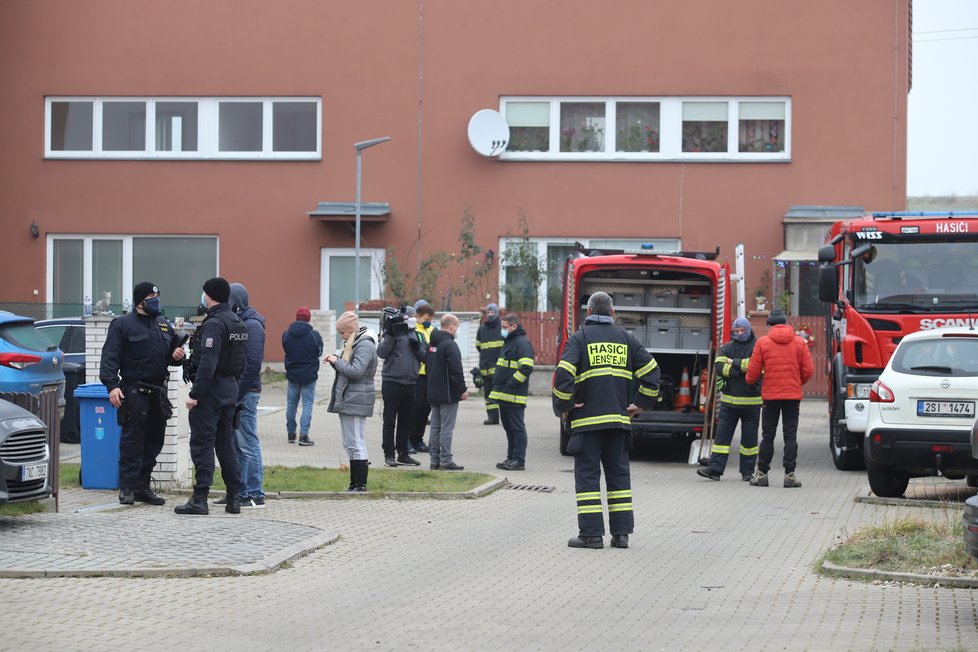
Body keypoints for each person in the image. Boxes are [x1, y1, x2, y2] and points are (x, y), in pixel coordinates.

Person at [553, 291, 660, 549]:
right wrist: (640, 404)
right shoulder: (627, 339)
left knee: (588, 478)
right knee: (619, 477)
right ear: (613, 313)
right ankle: (621, 535)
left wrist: (565, 406)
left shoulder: (579, 339)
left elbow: (563, 375)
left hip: (587, 423)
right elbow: (652, 373)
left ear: (588, 313)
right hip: (618, 423)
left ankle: (591, 535)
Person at [100, 281, 186, 505]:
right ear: (140, 301)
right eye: (150, 296)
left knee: (155, 440)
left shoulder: (163, 325)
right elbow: (109, 358)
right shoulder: (122, 325)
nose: (155, 300)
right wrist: (112, 386)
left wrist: (178, 356)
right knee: (132, 441)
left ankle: (142, 486)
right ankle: (127, 487)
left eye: (157, 296)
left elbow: (169, 357)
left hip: (158, 392)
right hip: (134, 392)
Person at [175, 277, 247, 515]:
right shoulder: (237, 322)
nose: (203, 298)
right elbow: (242, 362)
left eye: (204, 294)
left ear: (209, 295)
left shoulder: (214, 324)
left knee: (202, 444)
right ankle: (234, 498)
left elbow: (208, 362)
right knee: (226, 443)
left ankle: (200, 498)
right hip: (230, 389)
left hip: (211, 392)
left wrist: (195, 394)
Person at [745, 309, 814, 488]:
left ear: (769, 325)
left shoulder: (763, 342)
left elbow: (753, 371)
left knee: (768, 436)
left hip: (770, 397)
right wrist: (797, 382)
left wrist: (750, 381)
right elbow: (808, 370)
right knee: (790, 436)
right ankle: (789, 476)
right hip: (792, 397)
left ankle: (761, 475)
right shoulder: (800, 342)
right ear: (786, 323)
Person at [697, 316, 762, 482]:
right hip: (728, 402)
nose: (740, 334)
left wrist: (734, 362)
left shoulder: (757, 346)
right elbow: (718, 366)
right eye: (736, 331)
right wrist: (737, 370)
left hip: (751, 402)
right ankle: (715, 469)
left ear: (748, 330)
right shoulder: (727, 347)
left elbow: (756, 364)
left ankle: (747, 472)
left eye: (742, 331)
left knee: (749, 441)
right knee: (721, 439)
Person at [220, 282, 267, 509]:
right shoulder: (241, 323)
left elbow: (252, 364)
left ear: (235, 303)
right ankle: (238, 491)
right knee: (236, 444)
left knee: (247, 442)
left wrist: (237, 394)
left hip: (246, 393)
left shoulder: (253, 326)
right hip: (237, 392)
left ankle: (255, 493)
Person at [324, 311, 378, 492]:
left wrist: (336, 361)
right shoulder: (356, 342)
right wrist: (336, 361)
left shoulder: (364, 344)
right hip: (351, 398)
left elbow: (356, 371)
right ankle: (354, 483)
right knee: (349, 442)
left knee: (356, 442)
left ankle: (360, 484)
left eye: (343, 333)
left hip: (356, 399)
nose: (342, 336)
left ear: (351, 331)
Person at [377, 305, 426, 467]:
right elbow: (381, 353)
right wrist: (390, 334)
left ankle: (403, 454)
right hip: (392, 381)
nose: (412, 319)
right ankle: (389, 454)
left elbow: (426, 357)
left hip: (411, 382)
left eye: (414, 316)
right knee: (389, 420)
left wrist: (416, 347)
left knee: (406, 420)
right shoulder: (393, 332)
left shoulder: (418, 335)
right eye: (409, 316)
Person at [489, 313, 535, 471]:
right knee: (509, 429)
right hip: (504, 395)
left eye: (505, 327)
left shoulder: (522, 344)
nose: (502, 330)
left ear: (514, 326)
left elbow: (526, 367)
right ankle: (511, 458)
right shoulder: (509, 342)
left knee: (517, 428)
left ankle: (519, 460)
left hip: (514, 396)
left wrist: (511, 384)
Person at [426, 313, 469, 470]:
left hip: (433, 392)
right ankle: (446, 459)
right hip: (448, 394)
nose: (457, 330)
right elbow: (456, 371)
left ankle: (434, 460)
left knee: (435, 427)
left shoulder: (431, 344)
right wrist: (462, 390)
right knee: (446, 428)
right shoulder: (450, 345)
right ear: (451, 326)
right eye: (457, 327)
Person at [282, 306, 323, 445]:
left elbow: (286, 348)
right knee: (307, 404)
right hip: (309, 376)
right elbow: (319, 352)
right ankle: (303, 436)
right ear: (308, 319)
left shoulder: (286, 334)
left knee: (291, 404)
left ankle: (291, 433)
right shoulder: (314, 335)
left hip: (292, 375)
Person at [408, 302, 436, 453]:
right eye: (426, 319)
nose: (428, 322)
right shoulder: (413, 330)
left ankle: (418, 439)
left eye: (430, 319)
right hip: (417, 375)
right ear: (417, 316)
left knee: (425, 409)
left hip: (429, 375)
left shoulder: (432, 330)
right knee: (415, 408)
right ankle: (408, 439)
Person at [475, 302, 504, 425]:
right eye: (489, 312)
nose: (490, 315)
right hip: (486, 369)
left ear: (497, 313)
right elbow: (478, 346)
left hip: (500, 370)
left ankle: (506, 417)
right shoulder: (481, 329)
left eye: (493, 312)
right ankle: (493, 418)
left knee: (502, 395)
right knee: (488, 395)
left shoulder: (503, 328)